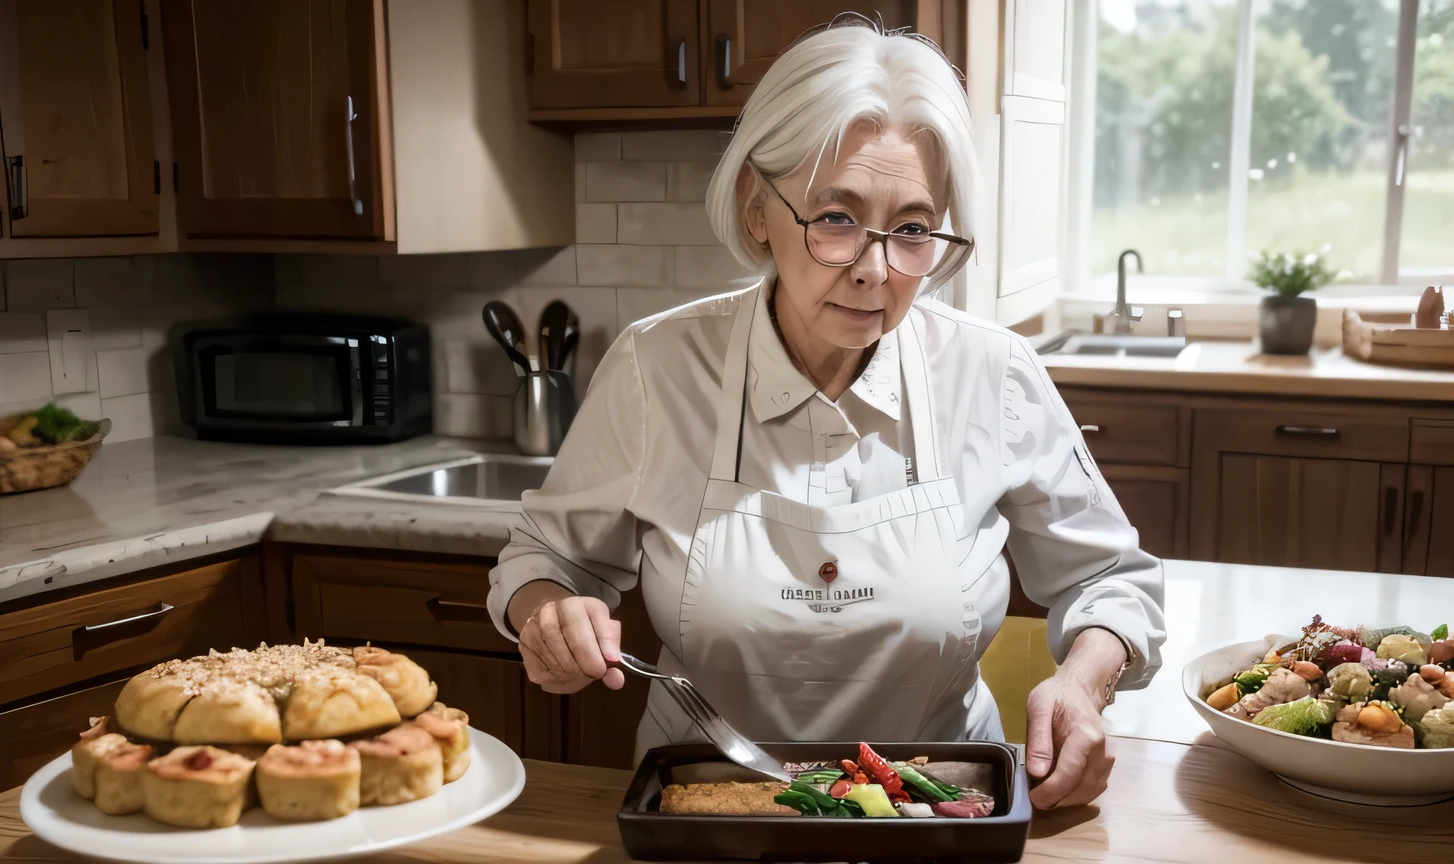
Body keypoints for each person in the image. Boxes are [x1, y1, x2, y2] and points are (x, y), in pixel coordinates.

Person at [486, 16, 1165, 810]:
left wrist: (1084, 685)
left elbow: (1112, 580)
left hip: (941, 807)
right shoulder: (656, 368)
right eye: (836, 219)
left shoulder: (994, 372)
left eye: (912, 229)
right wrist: (549, 615)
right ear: (755, 210)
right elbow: (543, 560)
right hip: (711, 805)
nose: (876, 271)